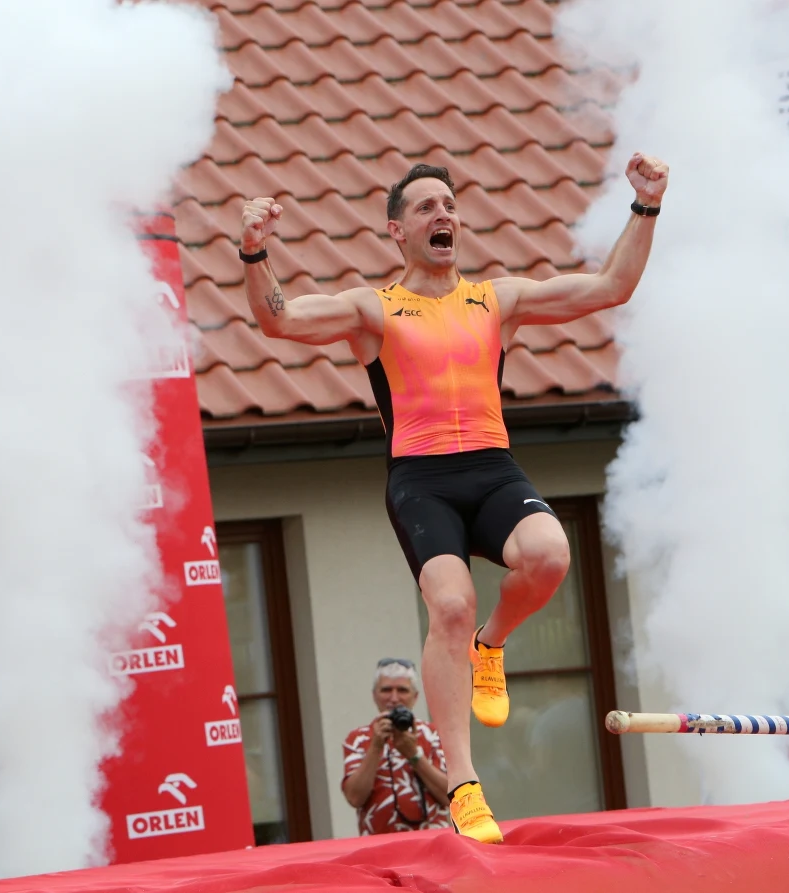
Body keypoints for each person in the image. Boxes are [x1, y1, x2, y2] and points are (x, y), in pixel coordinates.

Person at [238, 153, 668, 843]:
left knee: (551, 556)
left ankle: (490, 645)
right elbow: (279, 321)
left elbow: (613, 286)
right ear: (396, 232)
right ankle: (466, 786)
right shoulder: (373, 309)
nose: (443, 214)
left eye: (449, 204)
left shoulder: (498, 299)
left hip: (493, 468)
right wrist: (255, 250)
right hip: (422, 479)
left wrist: (646, 204)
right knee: (448, 601)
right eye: (424, 207)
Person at [342, 657, 450, 835]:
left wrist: (414, 755)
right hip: (380, 847)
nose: (394, 698)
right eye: (386, 690)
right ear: (374, 695)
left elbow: (451, 797)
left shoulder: (434, 735)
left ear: (415, 697)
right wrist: (375, 747)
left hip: (432, 843)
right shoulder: (358, 739)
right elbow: (354, 798)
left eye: (402, 690)